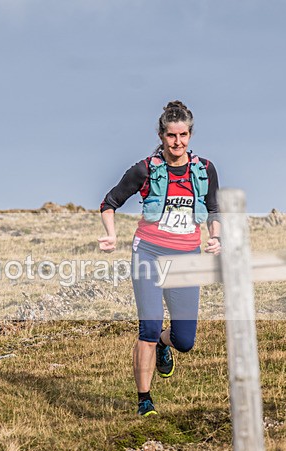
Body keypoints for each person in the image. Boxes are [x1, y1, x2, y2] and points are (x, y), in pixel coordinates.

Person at [98, 101, 221, 416]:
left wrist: (215, 237)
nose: (177, 142)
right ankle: (144, 401)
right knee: (149, 328)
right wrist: (111, 234)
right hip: (149, 253)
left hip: (186, 258)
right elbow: (109, 202)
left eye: (183, 135)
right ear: (161, 135)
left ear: (190, 135)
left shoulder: (204, 170)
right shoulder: (145, 170)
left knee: (185, 340)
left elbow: (214, 208)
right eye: (171, 135)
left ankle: (166, 345)